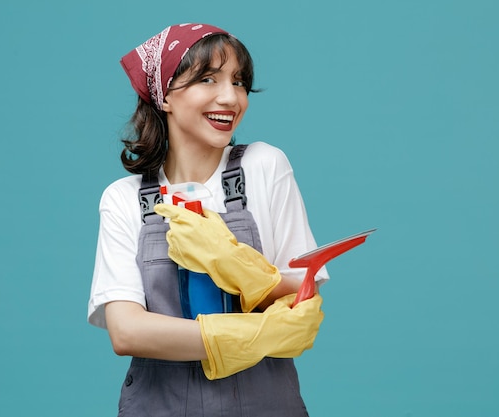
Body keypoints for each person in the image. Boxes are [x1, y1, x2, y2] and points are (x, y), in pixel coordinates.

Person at [88, 23, 329, 417]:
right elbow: (127, 330)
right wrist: (248, 333)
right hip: (160, 406)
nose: (230, 97)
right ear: (164, 95)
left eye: (239, 82)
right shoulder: (125, 199)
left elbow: (302, 298)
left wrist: (245, 270)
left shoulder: (264, 167)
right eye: (207, 79)